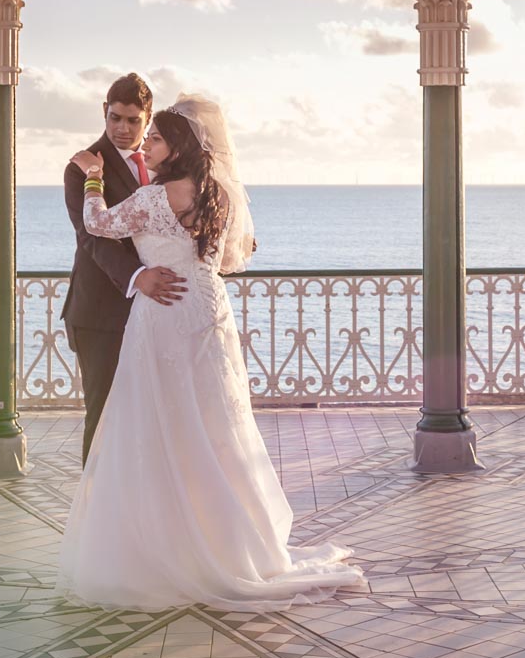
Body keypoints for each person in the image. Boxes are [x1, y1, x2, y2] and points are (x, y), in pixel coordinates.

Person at [57, 96, 364, 610]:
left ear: (176, 146)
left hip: (165, 314)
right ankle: (229, 541)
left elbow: (96, 223)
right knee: (213, 425)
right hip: (208, 312)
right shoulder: (217, 193)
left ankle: (169, 547)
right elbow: (222, 258)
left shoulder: (155, 197)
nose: (145, 142)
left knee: (157, 425)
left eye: (154, 136)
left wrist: (91, 176)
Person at [62, 73, 190, 462]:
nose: (122, 128)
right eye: (115, 118)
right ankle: (95, 518)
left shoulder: (166, 168)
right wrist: (138, 277)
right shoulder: (82, 167)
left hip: (160, 313)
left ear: (148, 118)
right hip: (101, 313)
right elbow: (93, 238)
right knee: (104, 419)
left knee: (155, 417)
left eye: (133, 121)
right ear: (105, 112)